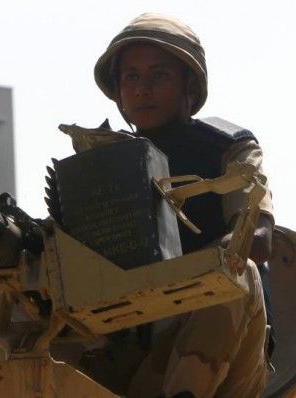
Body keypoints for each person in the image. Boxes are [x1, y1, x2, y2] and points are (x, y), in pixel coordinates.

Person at [77, 12, 274, 397]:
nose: (142, 89)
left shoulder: (228, 150)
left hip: (221, 359)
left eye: (159, 76)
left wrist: (184, 273)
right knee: (9, 292)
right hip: (130, 356)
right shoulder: (99, 166)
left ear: (189, 83)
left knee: (237, 271)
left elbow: (261, 239)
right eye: (131, 77)